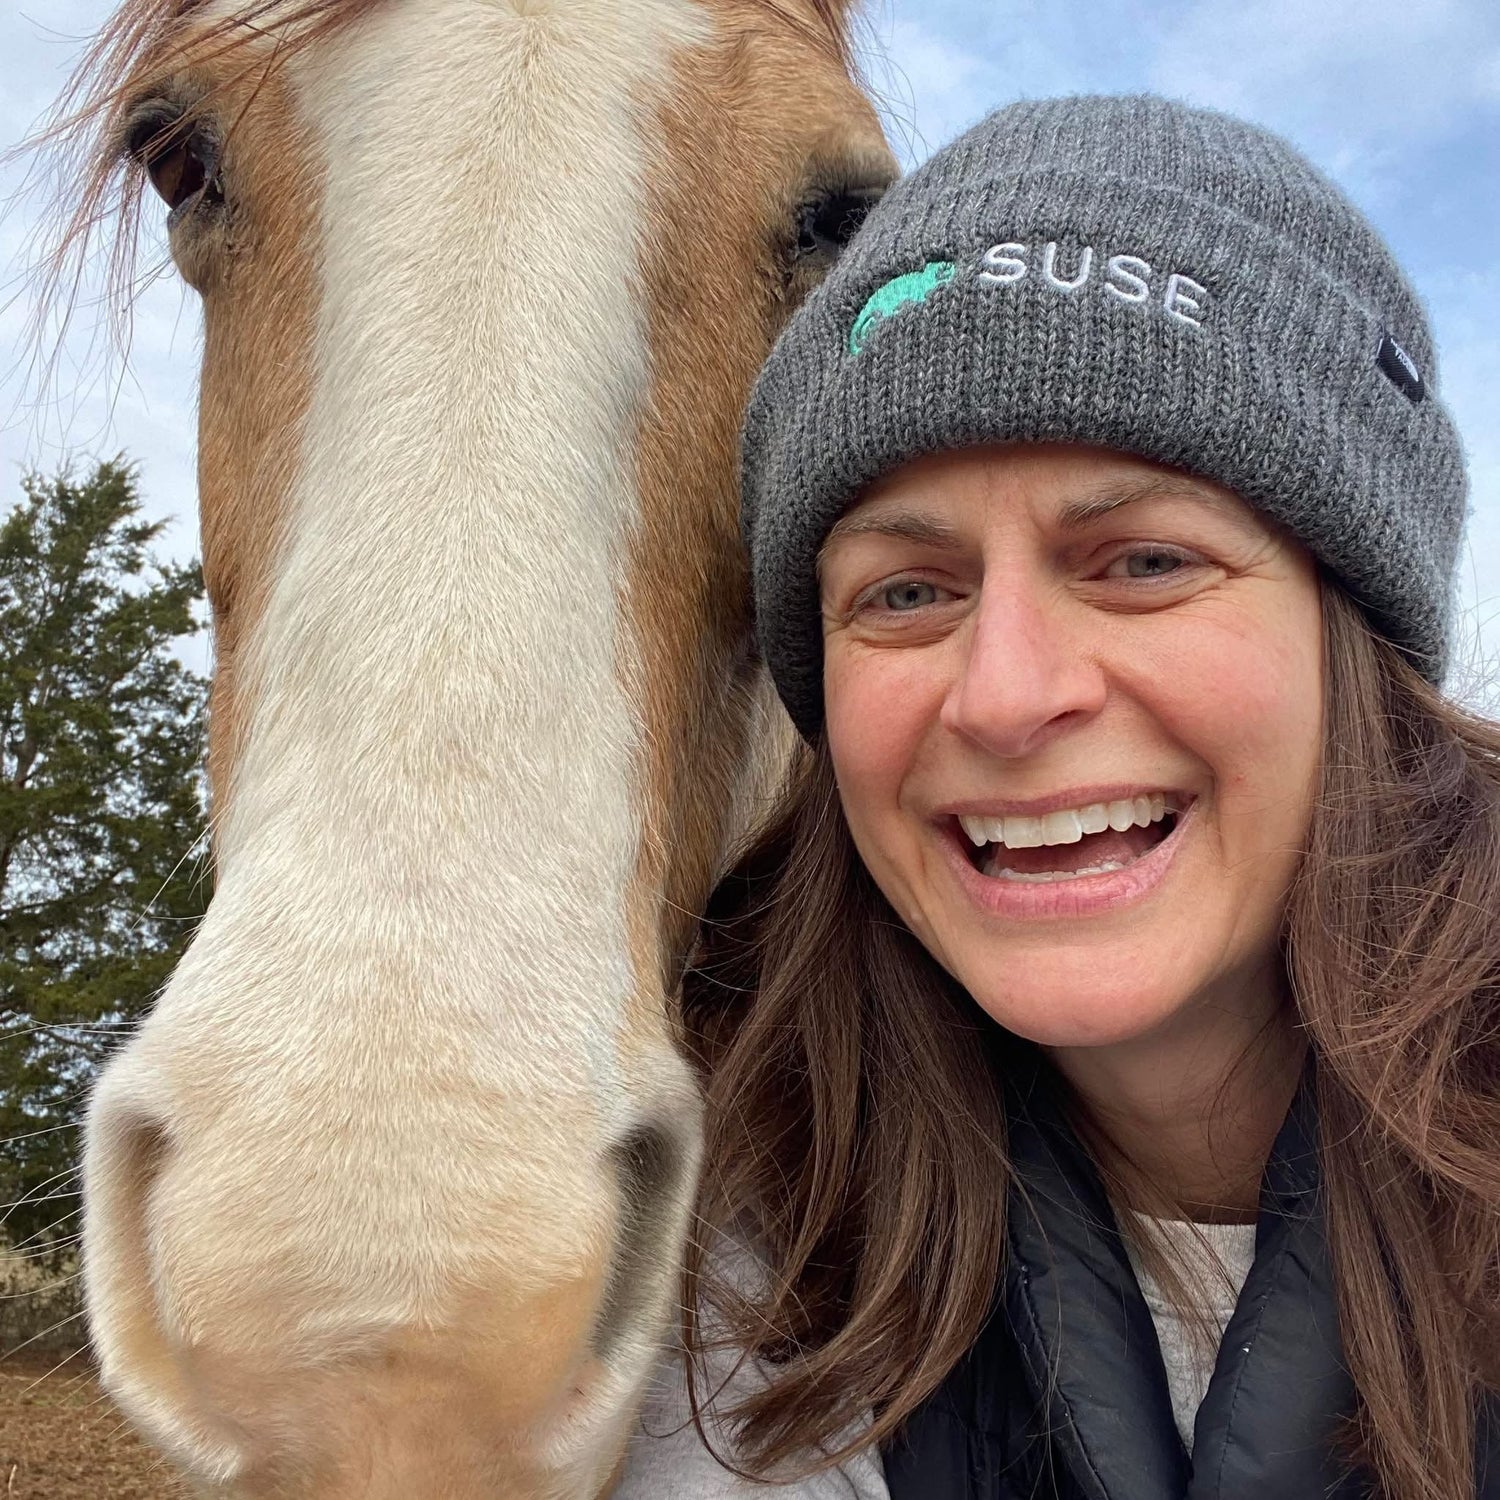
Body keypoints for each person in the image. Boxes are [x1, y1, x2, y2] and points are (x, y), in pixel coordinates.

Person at [614, 95, 1499, 1499]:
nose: (1006, 695)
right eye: (907, 593)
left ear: (1358, 635)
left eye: (1143, 561)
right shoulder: (727, 1263)